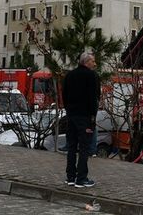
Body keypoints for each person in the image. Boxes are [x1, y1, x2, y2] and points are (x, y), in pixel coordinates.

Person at [62, 52, 100, 188]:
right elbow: (93, 98)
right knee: (84, 148)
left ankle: (70, 177)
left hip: (71, 116)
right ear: (86, 62)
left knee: (71, 146)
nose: (94, 64)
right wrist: (92, 116)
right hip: (84, 117)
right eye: (93, 61)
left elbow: (64, 95)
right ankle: (81, 178)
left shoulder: (69, 75)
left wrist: (69, 110)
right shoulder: (91, 76)